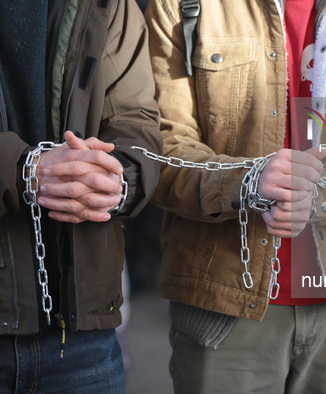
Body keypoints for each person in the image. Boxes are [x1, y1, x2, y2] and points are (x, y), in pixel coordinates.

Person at [145, 0, 326, 392]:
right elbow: (159, 143)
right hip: (224, 310)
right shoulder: (182, 5)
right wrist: (246, 181)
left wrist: (320, 195)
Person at [0, 0, 162, 392]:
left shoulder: (111, 6)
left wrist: (117, 176)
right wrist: (23, 170)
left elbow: (135, 118)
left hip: (82, 335)